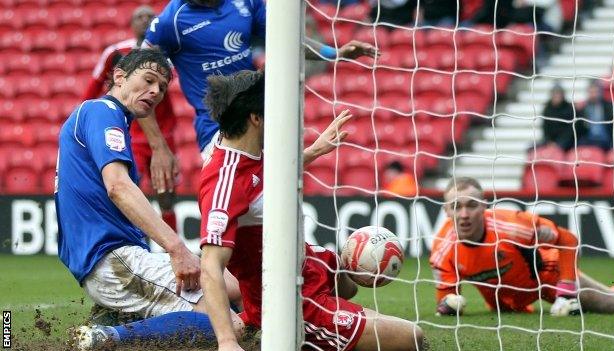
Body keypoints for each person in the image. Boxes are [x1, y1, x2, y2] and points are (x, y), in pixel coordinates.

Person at [199, 70, 424, 350]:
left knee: (349, 285)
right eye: (274, 110)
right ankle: (282, 332)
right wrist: (227, 342)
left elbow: (269, 173)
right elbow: (210, 265)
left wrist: (315, 151)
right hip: (291, 302)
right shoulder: (226, 182)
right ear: (256, 118)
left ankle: (268, 327)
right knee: (412, 338)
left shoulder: (247, 146)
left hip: (307, 265)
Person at [56, 49, 242, 349]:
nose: (155, 91)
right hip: (113, 258)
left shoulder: (104, 119)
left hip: (109, 258)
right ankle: (106, 337)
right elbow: (118, 187)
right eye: (148, 80)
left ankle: (112, 323)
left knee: (231, 293)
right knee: (230, 324)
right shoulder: (102, 112)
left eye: (161, 87)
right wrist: (177, 248)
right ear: (119, 76)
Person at [143, 0, 377, 160]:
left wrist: (333, 53)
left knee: (277, 215)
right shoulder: (170, 21)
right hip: (219, 129)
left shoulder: (245, 2)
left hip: (262, 121)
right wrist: (158, 147)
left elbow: (285, 38)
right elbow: (139, 77)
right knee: (232, 214)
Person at [430, 177, 614, 316]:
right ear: (446, 210)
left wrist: (566, 292)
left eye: (472, 205)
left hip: (551, 277)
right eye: (456, 206)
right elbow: (446, 300)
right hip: (506, 305)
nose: (464, 214)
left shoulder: (514, 226)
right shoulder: (442, 251)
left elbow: (568, 241)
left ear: (484, 206)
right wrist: (449, 304)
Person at [83, 5, 179, 234]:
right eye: (140, 17)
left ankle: (171, 252)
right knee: (130, 191)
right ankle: (137, 246)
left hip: (162, 135)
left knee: (166, 194)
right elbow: (92, 89)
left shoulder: (167, 57)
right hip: (130, 136)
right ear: (131, 23)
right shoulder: (115, 53)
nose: (145, 20)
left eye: (150, 17)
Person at [577, 79, 614, 151]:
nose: (593, 95)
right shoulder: (583, 109)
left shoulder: (611, 107)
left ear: (600, 92)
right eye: (591, 92)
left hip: (606, 141)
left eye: (595, 92)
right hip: (588, 141)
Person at [540, 82, 575, 151]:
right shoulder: (547, 109)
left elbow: (570, 131)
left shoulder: (569, 108)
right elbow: (545, 128)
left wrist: (559, 143)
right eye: (555, 93)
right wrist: (549, 142)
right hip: (550, 142)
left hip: (566, 142)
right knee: (531, 148)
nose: (557, 96)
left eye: (559, 93)